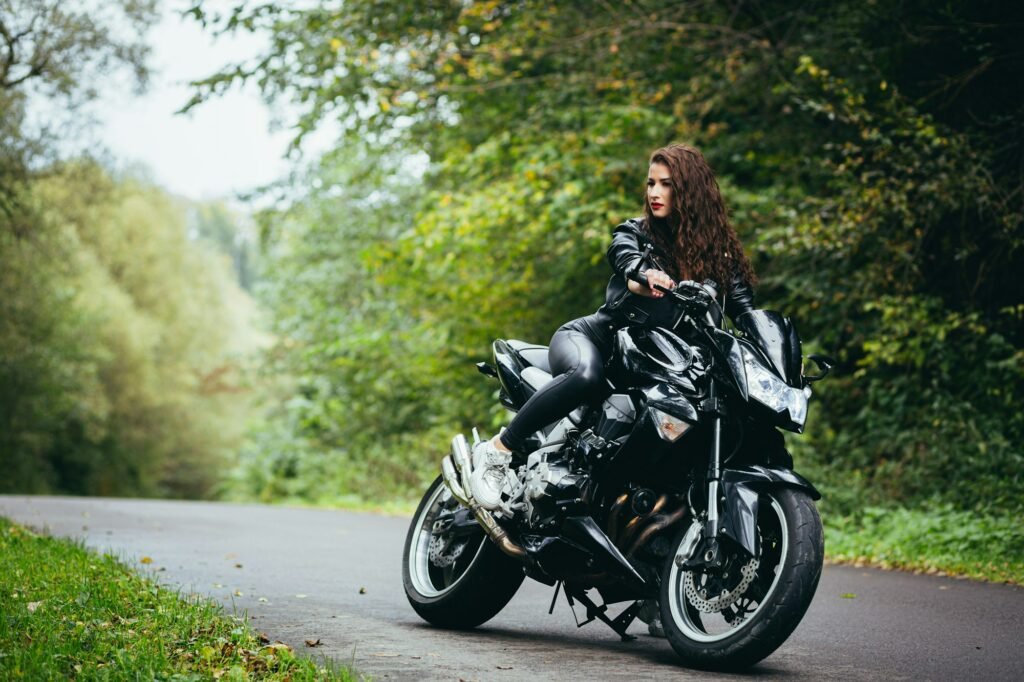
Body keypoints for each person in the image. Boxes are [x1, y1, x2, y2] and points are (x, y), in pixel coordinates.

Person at [468, 143, 758, 510]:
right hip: (595, 341)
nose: (654, 193)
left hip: (665, 369)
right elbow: (626, 258)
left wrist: (777, 357)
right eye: (651, 183)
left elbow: (749, 313)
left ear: (692, 191)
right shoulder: (636, 232)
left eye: (666, 184)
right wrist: (643, 275)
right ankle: (496, 452)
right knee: (585, 375)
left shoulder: (720, 257)